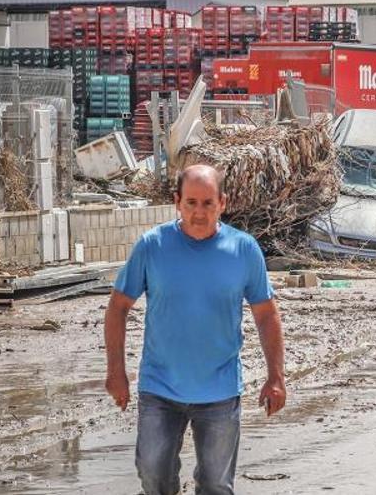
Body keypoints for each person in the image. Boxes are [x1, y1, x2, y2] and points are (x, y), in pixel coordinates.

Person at [103, 164, 286, 495]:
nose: (199, 213)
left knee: (216, 485)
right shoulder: (152, 246)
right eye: (191, 203)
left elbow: (266, 315)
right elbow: (118, 308)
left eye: (207, 203)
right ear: (177, 201)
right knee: (153, 477)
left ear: (223, 203)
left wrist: (276, 378)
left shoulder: (244, 250)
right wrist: (116, 371)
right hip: (160, 388)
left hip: (220, 391)